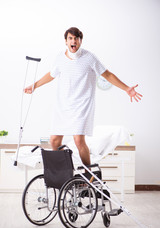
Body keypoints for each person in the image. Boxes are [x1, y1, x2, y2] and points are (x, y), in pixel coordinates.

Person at [24, 27, 142, 166]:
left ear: (80, 41)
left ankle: (88, 174)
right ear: (66, 41)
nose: (73, 41)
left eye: (76, 38)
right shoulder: (59, 58)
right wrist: (34, 85)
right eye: (70, 38)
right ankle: (61, 171)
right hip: (63, 105)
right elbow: (51, 74)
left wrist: (127, 88)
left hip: (82, 105)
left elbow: (108, 75)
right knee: (54, 140)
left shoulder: (89, 57)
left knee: (79, 140)